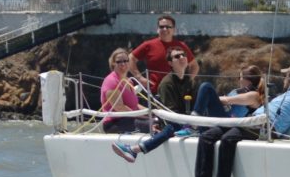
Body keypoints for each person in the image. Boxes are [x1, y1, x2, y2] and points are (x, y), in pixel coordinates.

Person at [113, 64, 266, 163]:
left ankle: (192, 123)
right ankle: (136, 150)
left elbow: (225, 101)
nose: (238, 81)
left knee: (206, 87)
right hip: (219, 123)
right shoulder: (242, 92)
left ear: (245, 79)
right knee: (172, 127)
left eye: (240, 78)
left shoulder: (254, 95)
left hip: (230, 126)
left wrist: (206, 99)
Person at [111, 48, 195, 160]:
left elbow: (135, 105)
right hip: (118, 122)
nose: (181, 57)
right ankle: (134, 149)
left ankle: (134, 149)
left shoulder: (189, 81)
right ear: (170, 63)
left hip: (187, 120)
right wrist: (151, 118)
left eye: (183, 55)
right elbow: (120, 107)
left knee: (159, 125)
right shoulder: (167, 84)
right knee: (165, 127)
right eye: (177, 56)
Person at [129, 14, 199, 94]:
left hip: (177, 93)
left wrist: (187, 81)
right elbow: (130, 58)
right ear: (157, 29)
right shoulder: (148, 45)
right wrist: (139, 78)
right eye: (161, 27)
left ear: (174, 29)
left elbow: (194, 66)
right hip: (155, 94)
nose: (165, 29)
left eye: (168, 27)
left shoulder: (181, 46)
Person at [99, 48, 141, 133]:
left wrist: (151, 112)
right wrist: (142, 116)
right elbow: (119, 107)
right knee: (151, 125)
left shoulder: (129, 81)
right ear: (113, 63)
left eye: (126, 61)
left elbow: (136, 105)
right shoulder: (111, 81)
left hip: (130, 119)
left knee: (156, 121)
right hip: (115, 123)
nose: (123, 64)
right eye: (119, 62)